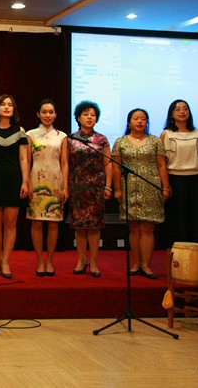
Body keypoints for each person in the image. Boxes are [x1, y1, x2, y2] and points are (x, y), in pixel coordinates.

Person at [112, 108, 171, 279]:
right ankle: (136, 264)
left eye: (143, 119)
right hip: (129, 187)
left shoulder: (155, 141)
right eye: (136, 118)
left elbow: (161, 165)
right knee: (134, 228)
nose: (139, 121)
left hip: (150, 186)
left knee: (147, 227)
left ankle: (146, 265)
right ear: (129, 122)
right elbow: (116, 167)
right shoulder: (120, 142)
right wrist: (117, 189)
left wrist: (166, 187)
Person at [160, 99, 198, 247]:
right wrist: (165, 185)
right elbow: (161, 163)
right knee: (178, 217)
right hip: (175, 179)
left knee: (197, 217)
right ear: (171, 114)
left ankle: (197, 250)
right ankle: (178, 251)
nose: (182, 112)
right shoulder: (166, 134)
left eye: (185, 109)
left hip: (196, 179)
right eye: (177, 109)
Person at [0, 94, 29, 279]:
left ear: (14, 109)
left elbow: (23, 158)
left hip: (13, 179)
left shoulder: (20, 131)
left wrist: (25, 181)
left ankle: (6, 262)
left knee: (10, 223)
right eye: (3, 104)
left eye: (10, 105)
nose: (6, 107)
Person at [68, 100, 112, 278]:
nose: (89, 117)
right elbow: (66, 163)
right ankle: (81, 260)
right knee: (79, 226)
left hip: (96, 187)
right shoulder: (71, 138)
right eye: (85, 114)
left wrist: (108, 185)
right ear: (78, 117)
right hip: (77, 186)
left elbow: (108, 164)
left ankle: (93, 262)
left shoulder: (101, 139)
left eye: (93, 115)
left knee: (94, 227)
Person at [27, 99, 68, 277]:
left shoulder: (62, 136)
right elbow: (26, 161)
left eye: (51, 112)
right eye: (44, 112)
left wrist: (65, 187)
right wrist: (26, 182)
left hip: (55, 180)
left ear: (56, 115)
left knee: (53, 223)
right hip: (36, 180)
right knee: (36, 222)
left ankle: (50, 260)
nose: (48, 115)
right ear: (38, 114)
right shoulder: (30, 134)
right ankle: (39, 260)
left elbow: (64, 163)